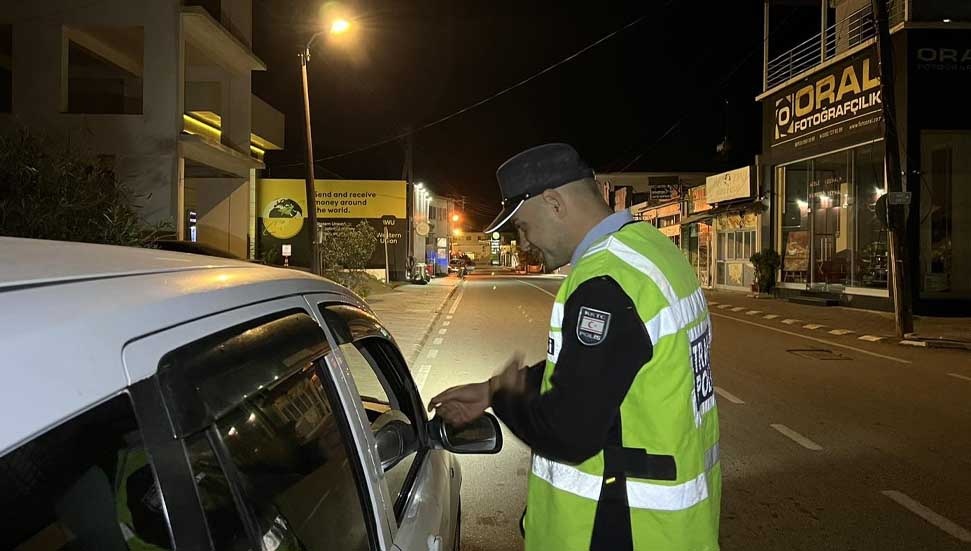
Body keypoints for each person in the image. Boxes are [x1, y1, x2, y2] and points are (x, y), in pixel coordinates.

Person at [428, 144, 720, 550]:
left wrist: (510, 398)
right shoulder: (652, 251)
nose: (526, 242)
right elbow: (603, 368)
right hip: (671, 526)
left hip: (619, 527)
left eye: (525, 227)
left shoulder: (605, 281)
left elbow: (568, 433)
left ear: (553, 203)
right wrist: (492, 390)